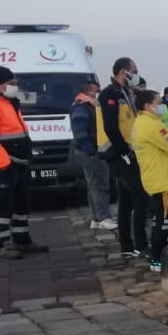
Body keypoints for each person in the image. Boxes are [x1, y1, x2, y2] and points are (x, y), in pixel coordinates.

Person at [0, 66, 49, 259]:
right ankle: (1, 245)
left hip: (18, 162)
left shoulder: (9, 102)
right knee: (3, 204)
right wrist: (4, 163)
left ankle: (22, 241)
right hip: (4, 164)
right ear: (1, 84)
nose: (15, 86)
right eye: (12, 83)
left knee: (22, 203)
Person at [98, 57, 150, 258]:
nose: (136, 74)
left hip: (131, 151)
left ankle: (127, 246)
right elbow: (110, 126)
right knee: (141, 196)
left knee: (126, 201)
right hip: (117, 153)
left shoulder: (126, 93)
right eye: (134, 71)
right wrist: (124, 151)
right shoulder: (109, 94)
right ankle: (140, 244)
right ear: (123, 72)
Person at [131, 89, 168, 273]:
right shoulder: (152, 126)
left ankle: (158, 258)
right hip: (163, 180)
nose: (161, 106)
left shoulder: (142, 122)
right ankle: (158, 260)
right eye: (158, 102)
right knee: (164, 223)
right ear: (148, 105)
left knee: (159, 221)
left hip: (154, 178)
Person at [69, 82, 116, 230]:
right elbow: (80, 131)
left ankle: (96, 218)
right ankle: (104, 217)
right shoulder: (82, 107)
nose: (98, 93)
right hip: (90, 151)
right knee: (100, 184)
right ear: (88, 91)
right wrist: (90, 150)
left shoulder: (88, 106)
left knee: (93, 184)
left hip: (88, 150)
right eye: (96, 91)